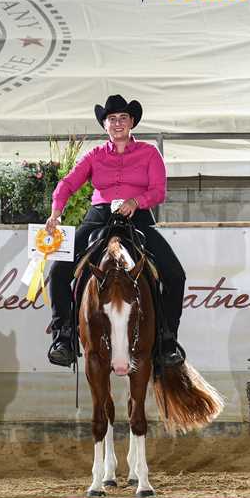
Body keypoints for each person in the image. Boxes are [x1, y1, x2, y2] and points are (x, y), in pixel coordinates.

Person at [45, 94, 186, 368]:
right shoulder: (94, 155)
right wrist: (56, 212)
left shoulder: (149, 153)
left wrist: (137, 201)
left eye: (123, 118)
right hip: (99, 217)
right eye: (112, 119)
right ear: (104, 124)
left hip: (137, 217)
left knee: (175, 274)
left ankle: (167, 340)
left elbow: (158, 191)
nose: (118, 123)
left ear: (132, 122)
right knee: (58, 271)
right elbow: (67, 184)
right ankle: (64, 337)